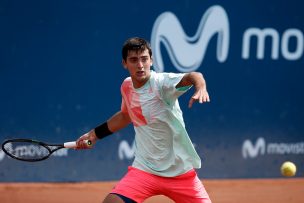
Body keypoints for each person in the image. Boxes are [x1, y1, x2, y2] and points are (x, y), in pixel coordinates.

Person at [76, 37, 212, 203]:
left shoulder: (162, 84)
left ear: (151, 60)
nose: (140, 65)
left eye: (144, 59)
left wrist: (201, 86)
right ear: (124, 64)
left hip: (180, 173)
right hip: (145, 170)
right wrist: (94, 135)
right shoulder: (126, 86)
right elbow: (126, 115)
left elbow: (193, 75)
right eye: (133, 60)